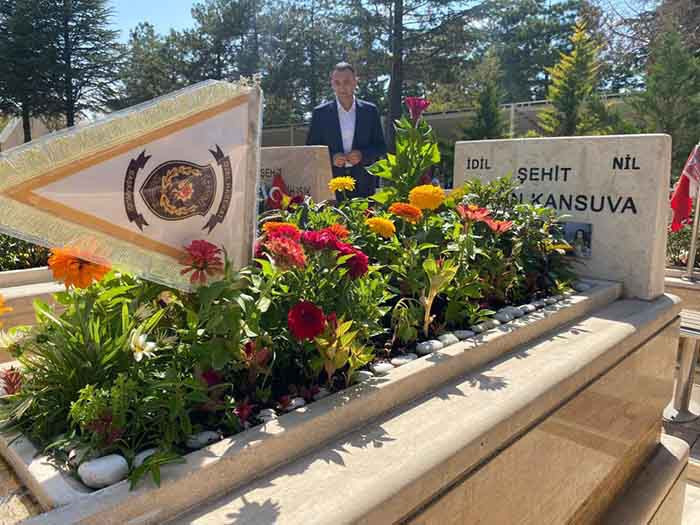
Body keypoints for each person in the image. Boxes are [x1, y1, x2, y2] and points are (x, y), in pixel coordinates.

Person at [306, 62, 387, 199]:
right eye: (337, 83)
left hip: (364, 184)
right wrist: (331, 158)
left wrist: (362, 155)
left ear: (356, 82)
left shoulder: (370, 111)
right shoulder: (320, 113)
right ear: (332, 84)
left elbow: (380, 147)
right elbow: (311, 149)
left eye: (347, 82)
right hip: (331, 184)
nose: (342, 87)